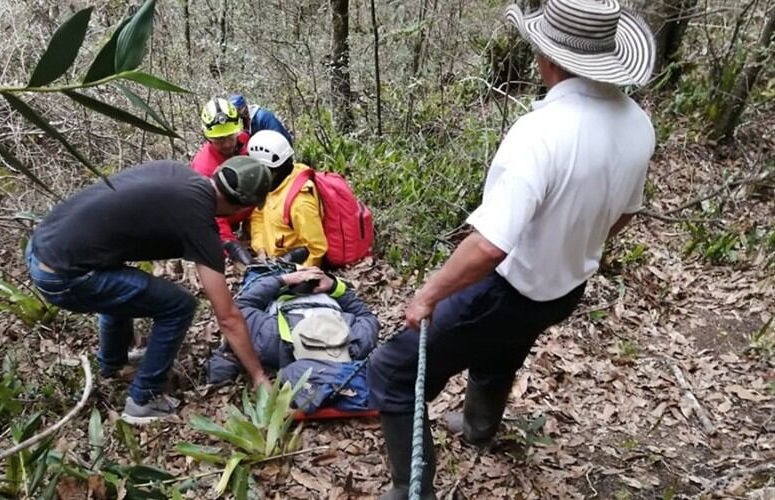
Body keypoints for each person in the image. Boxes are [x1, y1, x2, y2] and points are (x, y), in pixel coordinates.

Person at [366, 1, 657, 498]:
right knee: (503, 346)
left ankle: (409, 489)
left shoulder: (539, 134)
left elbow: (489, 245)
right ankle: (479, 428)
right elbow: (626, 212)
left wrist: (427, 295)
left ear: (546, 55)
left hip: (508, 289)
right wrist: (575, 238)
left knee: (391, 372)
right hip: (565, 288)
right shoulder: (638, 124)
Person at [27, 157, 274, 424]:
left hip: (40, 247)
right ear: (241, 205)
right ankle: (143, 399)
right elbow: (227, 316)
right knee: (180, 306)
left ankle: (114, 364)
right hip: (63, 275)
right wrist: (259, 376)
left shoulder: (177, 172)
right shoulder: (199, 221)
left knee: (122, 287)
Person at [206, 268, 379, 412]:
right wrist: (334, 286)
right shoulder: (359, 341)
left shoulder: (270, 339)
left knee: (257, 271)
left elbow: (239, 308)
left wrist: (282, 280)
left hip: (287, 293)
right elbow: (365, 314)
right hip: (317, 292)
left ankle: (277, 268)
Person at [247, 130, 327, 267]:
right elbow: (258, 216)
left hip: (294, 265)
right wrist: (260, 249)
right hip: (271, 259)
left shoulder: (300, 202)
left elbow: (316, 249)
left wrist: (298, 275)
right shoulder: (271, 185)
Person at [191, 97, 252, 247]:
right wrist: (232, 249)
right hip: (224, 223)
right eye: (219, 140)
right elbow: (213, 219)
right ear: (208, 137)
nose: (227, 144)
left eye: (231, 137)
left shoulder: (247, 145)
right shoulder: (203, 168)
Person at [229, 94, 293, 145]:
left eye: (238, 110)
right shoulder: (242, 120)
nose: (237, 114)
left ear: (244, 107)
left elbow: (279, 135)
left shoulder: (263, 116)